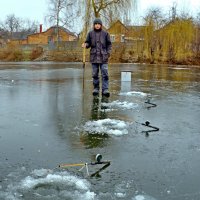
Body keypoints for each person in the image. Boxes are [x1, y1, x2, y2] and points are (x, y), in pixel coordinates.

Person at [82, 18, 112, 97]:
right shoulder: (90, 33)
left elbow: (109, 44)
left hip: (104, 57)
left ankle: (105, 89)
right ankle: (96, 88)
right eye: (96, 24)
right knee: (95, 74)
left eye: (99, 24)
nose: (97, 25)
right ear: (94, 25)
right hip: (94, 57)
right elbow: (88, 43)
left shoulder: (105, 34)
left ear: (101, 25)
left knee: (105, 73)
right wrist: (86, 45)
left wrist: (108, 53)